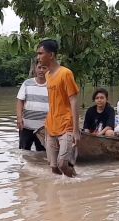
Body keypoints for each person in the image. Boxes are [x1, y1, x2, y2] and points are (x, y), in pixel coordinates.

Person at [37, 39, 80, 178]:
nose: (38, 57)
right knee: (54, 167)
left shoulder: (65, 73)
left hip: (66, 125)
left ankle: (78, 182)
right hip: (51, 125)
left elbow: (73, 100)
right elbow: (52, 101)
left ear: (51, 55)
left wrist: (76, 130)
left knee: (62, 164)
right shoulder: (48, 75)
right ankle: (66, 189)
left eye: (41, 53)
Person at [16, 61, 49, 151]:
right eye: (39, 67)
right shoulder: (27, 83)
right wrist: (19, 118)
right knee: (23, 152)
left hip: (44, 128)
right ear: (35, 69)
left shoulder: (52, 85)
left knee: (42, 154)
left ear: (49, 69)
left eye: (44, 68)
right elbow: (20, 101)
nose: (41, 70)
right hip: (26, 126)